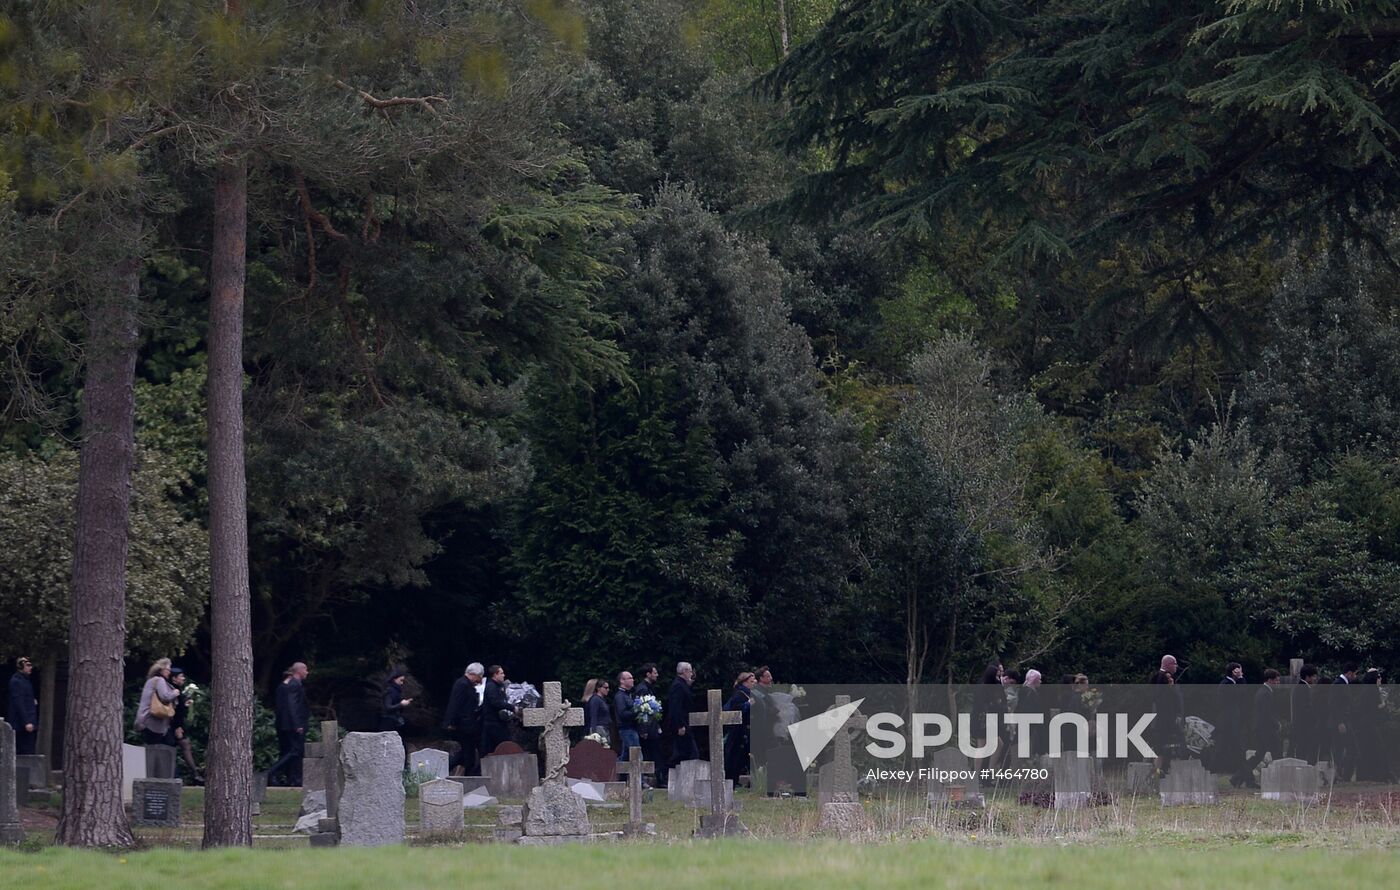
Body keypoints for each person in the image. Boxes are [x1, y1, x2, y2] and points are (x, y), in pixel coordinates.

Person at [268, 662, 310, 787]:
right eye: (305, 670)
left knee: (288, 751)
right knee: (296, 751)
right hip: (293, 725)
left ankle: (294, 779)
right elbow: (293, 706)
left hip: (284, 724)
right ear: (299, 671)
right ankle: (272, 772)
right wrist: (297, 724)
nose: (307, 672)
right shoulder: (294, 685)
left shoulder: (284, 685)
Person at [1239, 669, 1283, 788]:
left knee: (1261, 755)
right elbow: (1266, 713)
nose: (1278, 683)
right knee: (1275, 753)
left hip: (1264, 729)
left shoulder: (1264, 692)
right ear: (1270, 680)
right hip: (1265, 730)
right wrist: (1276, 724)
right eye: (1276, 680)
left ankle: (1238, 778)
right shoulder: (1265, 693)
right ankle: (1282, 779)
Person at [165, 667, 204, 785]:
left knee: (184, 746)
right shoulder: (173, 690)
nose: (183, 678)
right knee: (180, 747)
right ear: (174, 678)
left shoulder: (177, 689)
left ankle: (194, 774)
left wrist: (186, 705)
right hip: (173, 726)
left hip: (176, 726)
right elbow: (175, 712)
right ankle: (192, 774)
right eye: (181, 676)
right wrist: (177, 727)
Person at [444, 663, 484, 775]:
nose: (479, 680)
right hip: (463, 726)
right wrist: (452, 722)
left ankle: (466, 777)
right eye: (479, 676)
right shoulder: (462, 684)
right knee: (467, 755)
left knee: (467, 754)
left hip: (468, 725)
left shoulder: (466, 685)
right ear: (473, 674)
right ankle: (444, 768)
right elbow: (456, 704)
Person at [134, 658, 180, 746]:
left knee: (148, 747)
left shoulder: (150, 681)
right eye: (168, 670)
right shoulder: (160, 680)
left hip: (143, 720)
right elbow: (165, 696)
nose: (169, 672)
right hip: (152, 722)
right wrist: (175, 693)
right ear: (161, 669)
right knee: (159, 748)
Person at [723, 671, 756, 782]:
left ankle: (735, 779)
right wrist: (747, 705)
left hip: (744, 730)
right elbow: (736, 709)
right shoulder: (739, 694)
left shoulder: (748, 694)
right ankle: (731, 779)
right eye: (751, 681)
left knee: (740, 756)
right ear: (745, 682)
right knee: (734, 755)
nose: (754, 683)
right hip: (737, 731)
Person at [1331, 662, 1359, 782]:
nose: (1355, 677)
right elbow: (1334, 705)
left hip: (1346, 720)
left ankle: (1342, 774)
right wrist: (1339, 722)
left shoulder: (1343, 684)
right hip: (1342, 721)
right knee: (1349, 748)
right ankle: (1343, 775)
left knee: (1344, 748)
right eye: (1355, 674)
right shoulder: (1338, 684)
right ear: (1349, 673)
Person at [479, 665, 515, 756]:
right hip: (493, 724)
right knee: (503, 747)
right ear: (495, 675)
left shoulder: (498, 686)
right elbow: (496, 702)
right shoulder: (491, 687)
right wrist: (512, 707)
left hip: (498, 722)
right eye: (501, 673)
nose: (504, 675)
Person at [635, 663, 663, 784]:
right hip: (648, 727)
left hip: (652, 726)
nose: (657, 675)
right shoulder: (643, 689)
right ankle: (654, 779)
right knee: (651, 752)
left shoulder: (649, 687)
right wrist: (644, 729)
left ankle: (658, 778)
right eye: (655, 672)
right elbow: (642, 709)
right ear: (648, 674)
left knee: (655, 751)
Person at [667, 661, 698, 769]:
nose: (691, 674)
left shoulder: (682, 684)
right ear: (684, 671)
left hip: (684, 723)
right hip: (681, 725)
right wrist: (680, 725)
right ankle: (668, 771)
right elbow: (676, 707)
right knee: (687, 753)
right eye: (690, 671)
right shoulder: (678, 686)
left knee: (684, 752)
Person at [7, 656, 37, 757]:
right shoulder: (16, 681)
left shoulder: (26, 680)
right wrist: (26, 722)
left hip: (29, 720)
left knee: (29, 749)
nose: (30, 667)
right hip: (21, 724)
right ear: (21, 666)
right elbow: (18, 702)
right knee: (22, 750)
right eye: (27, 665)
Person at [614, 670, 640, 760]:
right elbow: (622, 713)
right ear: (622, 681)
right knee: (636, 756)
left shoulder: (628, 695)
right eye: (629, 678)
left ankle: (616, 773)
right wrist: (638, 711)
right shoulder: (620, 696)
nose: (632, 680)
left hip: (631, 728)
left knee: (625, 755)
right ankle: (638, 774)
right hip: (627, 728)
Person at [584, 677, 613, 745]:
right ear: (598, 688)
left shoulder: (601, 700)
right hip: (599, 728)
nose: (608, 690)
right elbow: (593, 715)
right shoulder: (595, 700)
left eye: (608, 688)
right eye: (605, 688)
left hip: (604, 727)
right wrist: (593, 732)